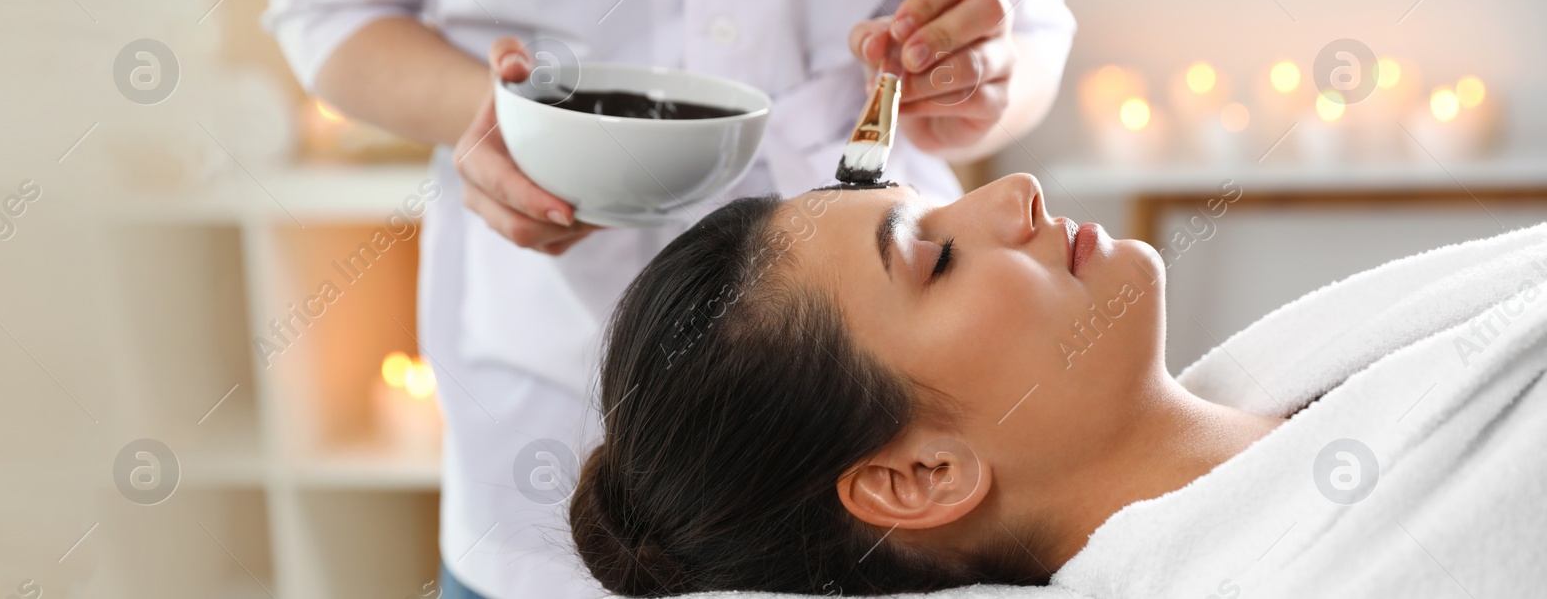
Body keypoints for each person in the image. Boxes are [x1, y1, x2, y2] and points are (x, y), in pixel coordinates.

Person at [249, 0, 1076, 598]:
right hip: (544, 388)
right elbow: (330, 5)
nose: (1029, 202)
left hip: (896, 416)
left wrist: (981, 75)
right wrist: (499, 120)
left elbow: (1028, 30)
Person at [572, 174, 1547, 597]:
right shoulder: (1335, 570)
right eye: (935, 257)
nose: (1015, 193)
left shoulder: (1288, 377)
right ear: (918, 475)